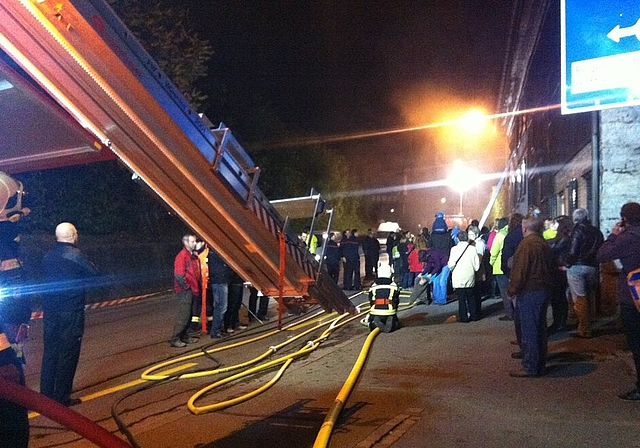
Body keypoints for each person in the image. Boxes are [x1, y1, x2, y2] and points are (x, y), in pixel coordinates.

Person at [40, 222, 99, 405]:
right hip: (70, 311)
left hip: (50, 311)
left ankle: (46, 393)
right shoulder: (75, 255)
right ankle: (62, 396)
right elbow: (94, 273)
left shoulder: (47, 256)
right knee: (68, 352)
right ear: (73, 235)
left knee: (50, 351)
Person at [597, 202, 640, 400]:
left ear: (624, 218)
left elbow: (602, 254)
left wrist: (613, 235)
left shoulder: (627, 238)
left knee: (636, 342)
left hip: (633, 296)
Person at [507, 217, 556, 378]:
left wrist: (512, 289)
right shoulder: (543, 243)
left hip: (530, 291)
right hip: (543, 289)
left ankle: (530, 367)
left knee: (530, 331)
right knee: (540, 329)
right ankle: (539, 364)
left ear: (525, 229)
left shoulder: (526, 245)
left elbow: (519, 271)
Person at [565, 208, 604, 338]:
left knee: (580, 298)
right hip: (592, 267)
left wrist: (567, 263)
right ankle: (588, 321)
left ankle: (584, 329)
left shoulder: (577, 230)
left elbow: (573, 251)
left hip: (577, 267)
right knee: (588, 295)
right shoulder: (597, 232)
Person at [170, 234, 201, 348]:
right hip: (185, 291)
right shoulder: (182, 256)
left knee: (189, 314)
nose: (195, 243)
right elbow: (179, 275)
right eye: (192, 241)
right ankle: (175, 338)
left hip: (192, 289)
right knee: (184, 314)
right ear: (186, 243)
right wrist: (186, 287)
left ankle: (185, 336)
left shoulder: (191, 256)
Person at [448, 230, 480, 322]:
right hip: (469, 276)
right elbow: (477, 266)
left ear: (458, 239)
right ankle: (474, 316)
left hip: (458, 277)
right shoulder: (473, 249)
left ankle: (464, 317)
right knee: (471, 297)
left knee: (461, 299)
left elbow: (450, 265)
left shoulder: (454, 250)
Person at [366, 262, 400, 332]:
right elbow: (396, 301)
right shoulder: (394, 287)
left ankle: (373, 323)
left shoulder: (373, 287)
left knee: (372, 323)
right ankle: (390, 323)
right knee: (396, 324)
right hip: (389, 312)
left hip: (375, 312)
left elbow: (371, 301)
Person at [207, 249, 232, 338]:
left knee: (221, 307)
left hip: (221, 281)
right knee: (221, 307)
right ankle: (215, 331)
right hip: (219, 282)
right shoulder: (213, 254)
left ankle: (218, 330)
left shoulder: (214, 254)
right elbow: (217, 270)